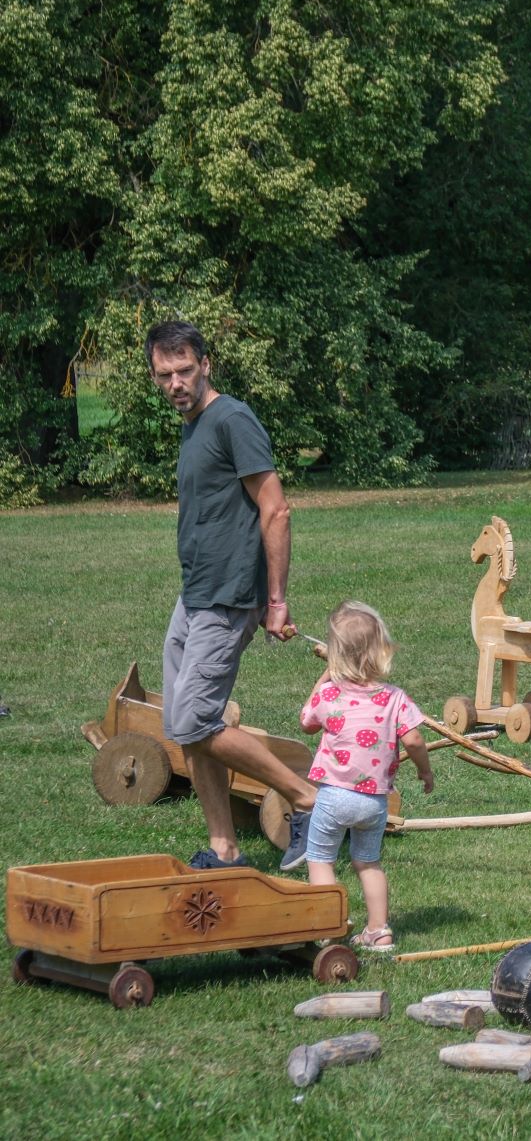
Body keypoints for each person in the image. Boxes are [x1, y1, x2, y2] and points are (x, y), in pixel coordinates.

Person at [146, 321, 321, 871]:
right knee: (183, 726)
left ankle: (308, 801)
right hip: (195, 592)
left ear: (206, 365)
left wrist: (275, 600)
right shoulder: (194, 425)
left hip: (229, 596)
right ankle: (224, 847)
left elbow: (276, 508)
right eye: (164, 374)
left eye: (184, 370)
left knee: (196, 720)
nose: (176, 382)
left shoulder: (231, 419)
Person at [299, 602, 432, 953]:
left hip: (333, 798)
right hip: (375, 801)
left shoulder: (329, 694)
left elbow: (307, 721)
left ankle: (327, 928)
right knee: (367, 862)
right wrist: (424, 769)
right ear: (381, 651)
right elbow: (415, 739)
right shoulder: (394, 698)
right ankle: (379, 930)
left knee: (321, 859)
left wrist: (326, 675)